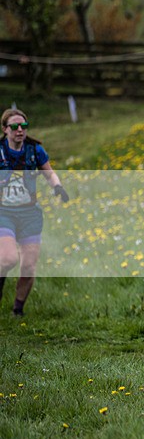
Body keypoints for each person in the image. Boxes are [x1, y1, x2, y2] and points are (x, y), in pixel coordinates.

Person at [0, 108, 69, 316]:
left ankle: (17, 310)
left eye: (23, 126)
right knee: (8, 259)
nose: (20, 130)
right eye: (14, 126)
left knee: (28, 266)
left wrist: (58, 187)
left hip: (30, 215)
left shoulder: (35, 150)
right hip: (4, 213)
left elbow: (49, 173)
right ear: (5, 129)